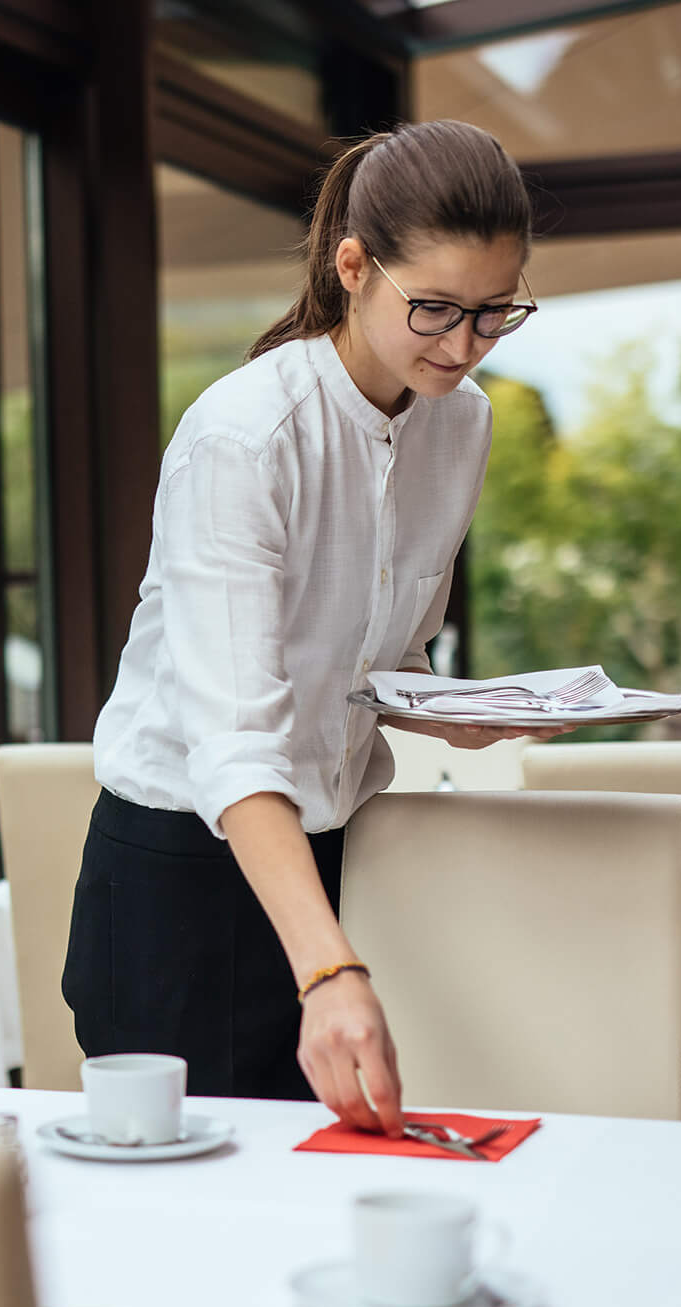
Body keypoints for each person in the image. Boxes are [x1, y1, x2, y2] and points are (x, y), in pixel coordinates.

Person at [65, 119, 559, 1136]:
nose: (463, 346)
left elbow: (380, 657)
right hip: (179, 877)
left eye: (493, 313)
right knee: (193, 1212)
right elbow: (237, 742)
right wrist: (329, 969)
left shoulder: (461, 422)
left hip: (333, 855)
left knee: (324, 1181)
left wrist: (450, 710)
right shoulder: (245, 436)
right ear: (352, 266)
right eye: (434, 308)